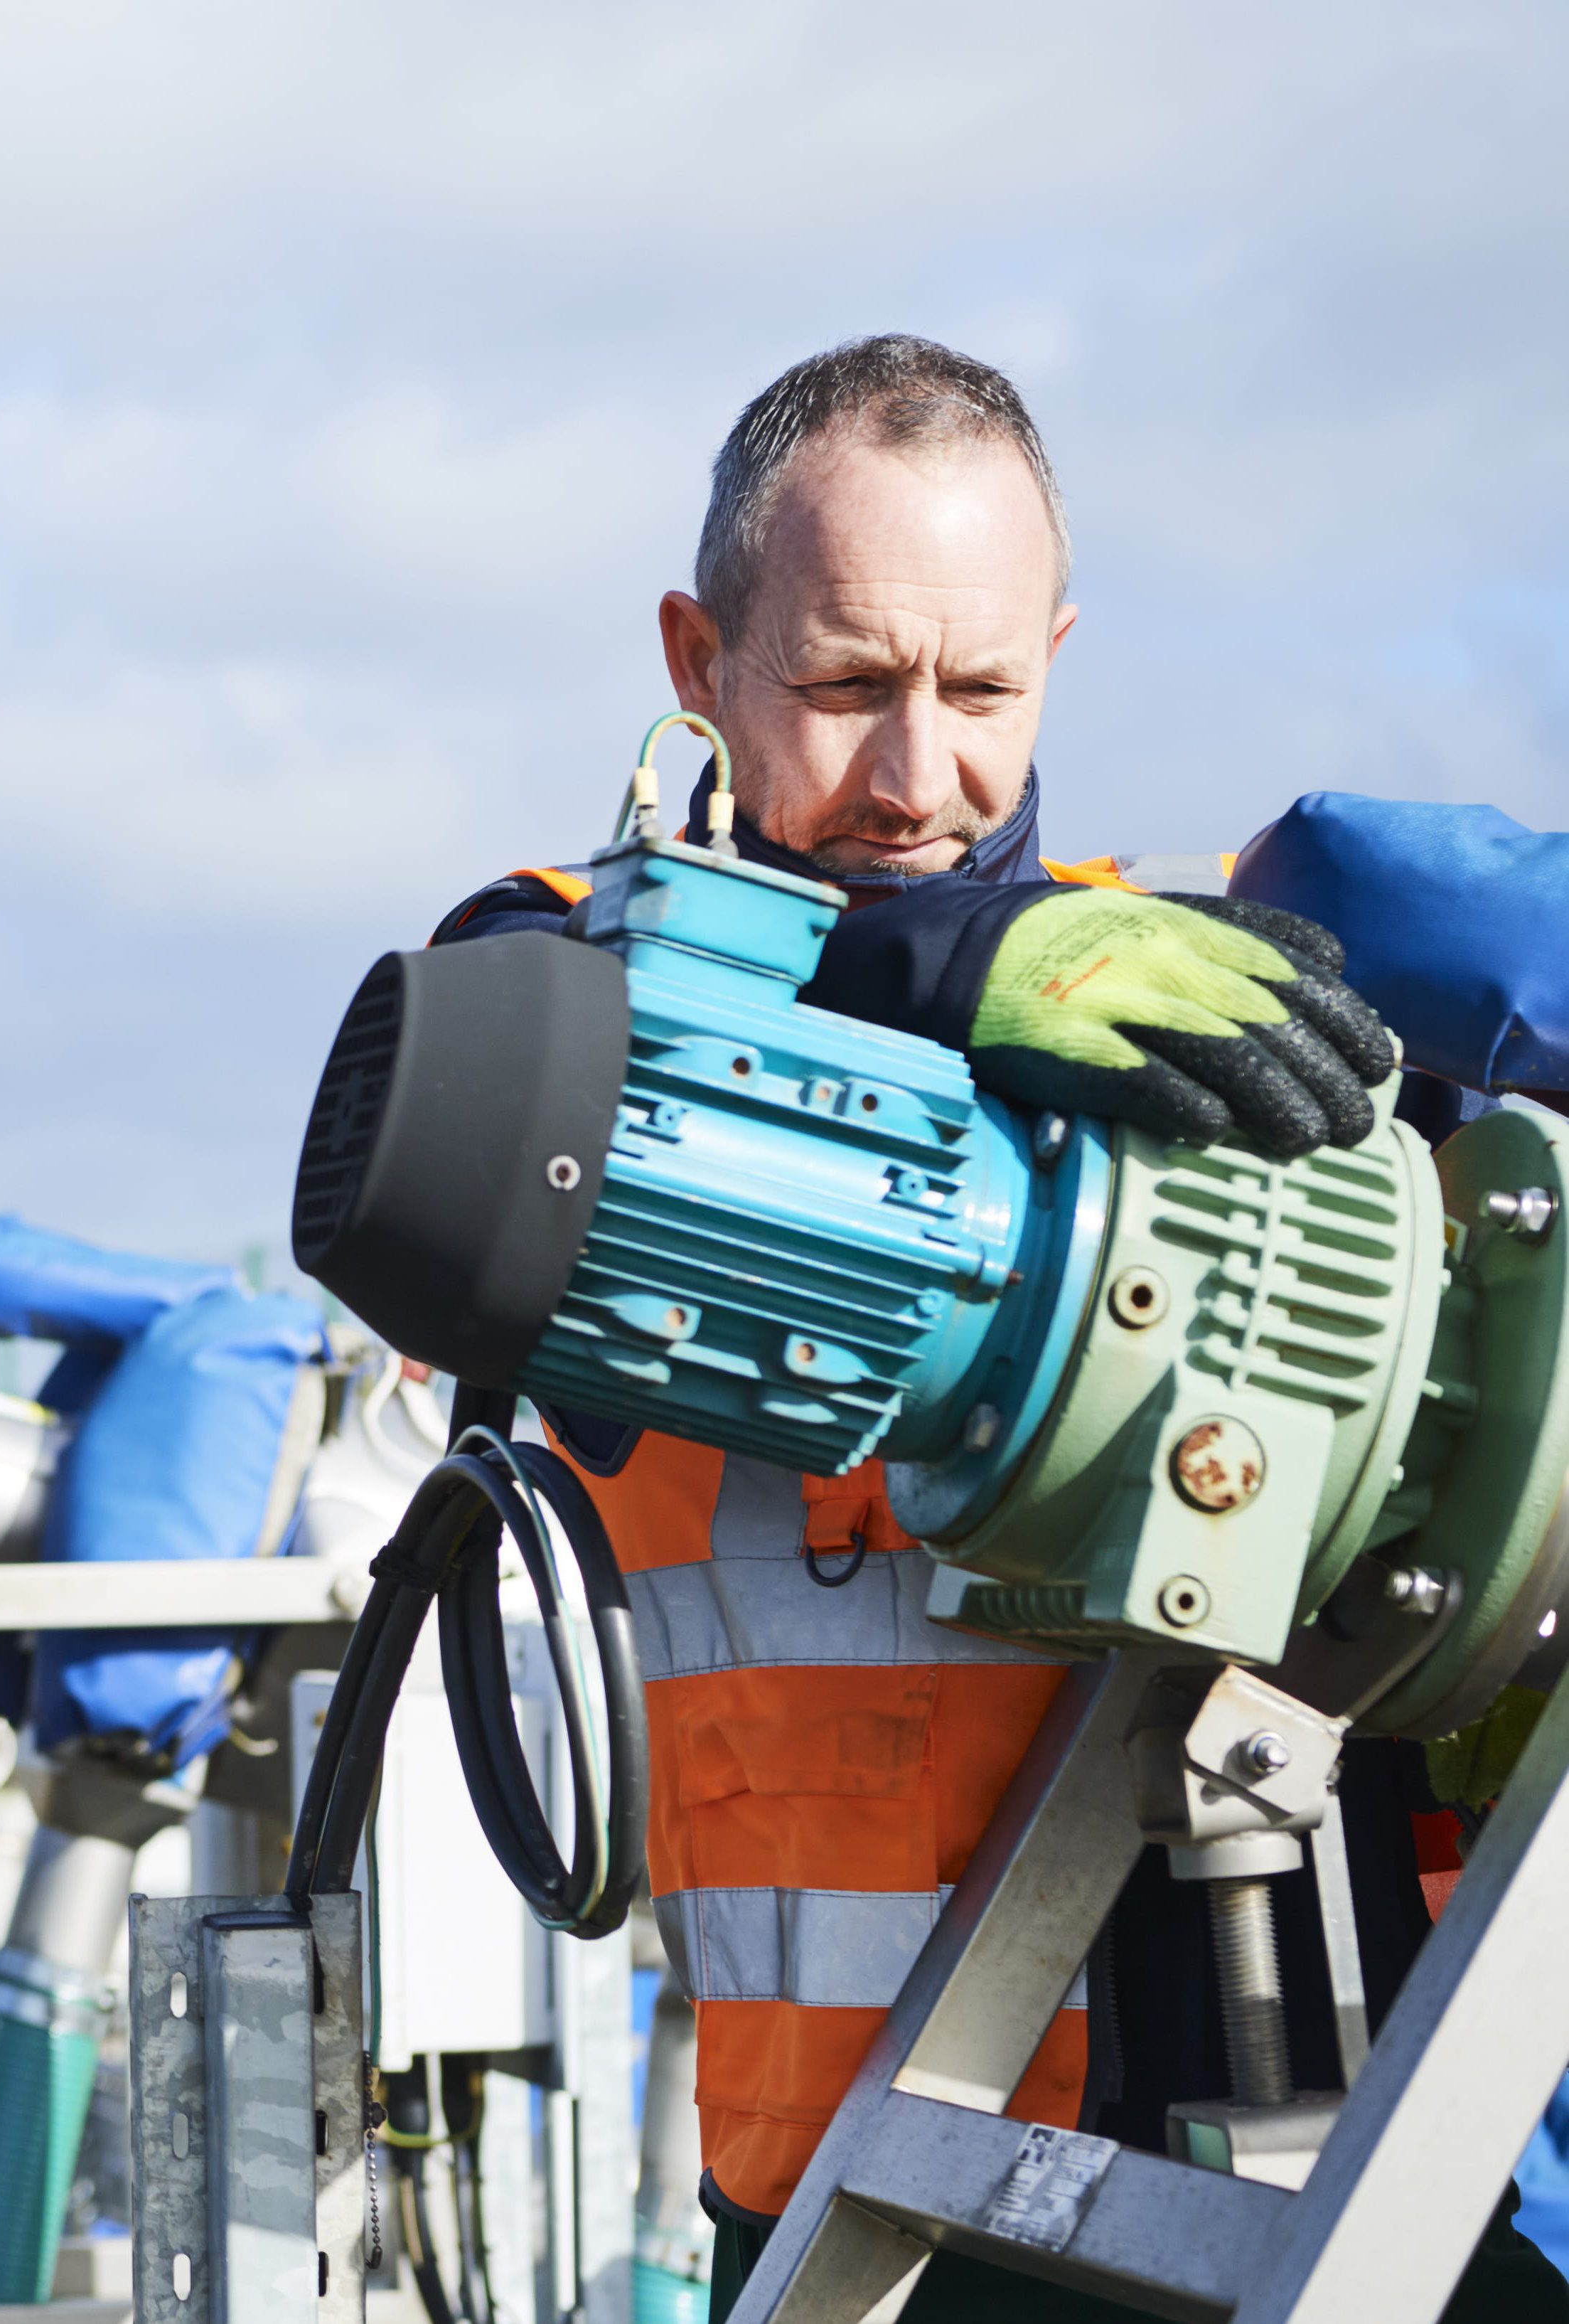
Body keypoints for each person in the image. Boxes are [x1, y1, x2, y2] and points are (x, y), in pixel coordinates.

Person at [432, 335, 1569, 2321]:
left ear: (1055, 650)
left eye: (981, 692)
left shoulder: (1206, 1009)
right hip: (871, 2212)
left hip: (1347, 2154)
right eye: (844, 685)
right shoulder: (564, 991)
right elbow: (516, 1056)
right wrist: (946, 957)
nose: (918, 777)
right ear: (698, 658)